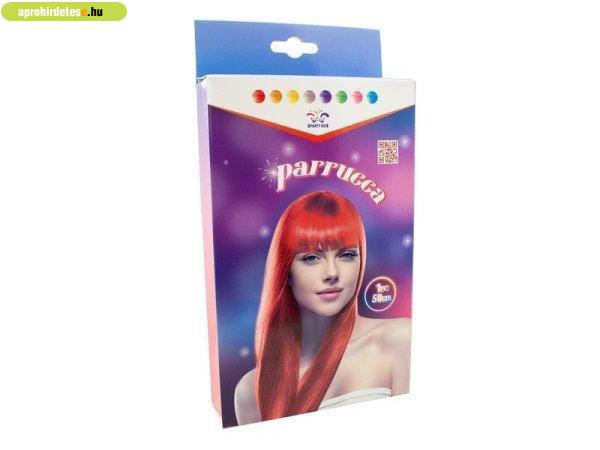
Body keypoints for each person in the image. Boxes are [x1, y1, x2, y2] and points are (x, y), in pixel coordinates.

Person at [234, 191, 411, 425]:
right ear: (285, 270)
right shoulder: (250, 390)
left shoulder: (399, 340)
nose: (332, 273)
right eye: (311, 258)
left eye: (347, 255)